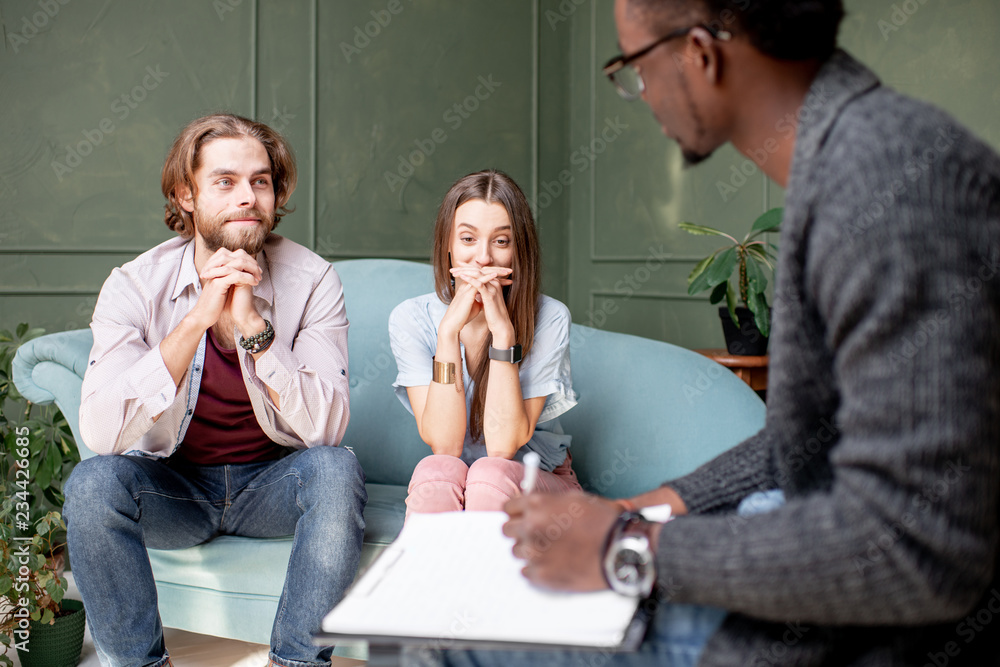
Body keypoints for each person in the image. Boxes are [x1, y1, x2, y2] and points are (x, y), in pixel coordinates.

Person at [425, 1, 1000, 665]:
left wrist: (628, 548)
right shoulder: (846, 162)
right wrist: (636, 511)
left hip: (881, 634)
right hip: (834, 586)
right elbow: (799, 443)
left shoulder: (883, 187)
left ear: (700, 54)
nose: (640, 95)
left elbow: (915, 545)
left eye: (636, 68)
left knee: (461, 634)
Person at [64, 113, 367, 667]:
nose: (247, 197)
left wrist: (253, 327)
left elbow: (327, 428)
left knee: (336, 467)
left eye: (260, 181)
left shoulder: (313, 280)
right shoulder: (134, 285)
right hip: (174, 487)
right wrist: (196, 322)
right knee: (91, 485)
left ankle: (296, 662)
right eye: (225, 182)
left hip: (270, 483)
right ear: (185, 194)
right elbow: (102, 432)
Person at [388, 170, 582, 517]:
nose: (483, 258)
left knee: (489, 476)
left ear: (518, 250)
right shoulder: (410, 318)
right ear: (448, 245)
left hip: (538, 482)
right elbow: (445, 445)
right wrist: (448, 335)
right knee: (434, 472)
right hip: (462, 482)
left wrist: (504, 335)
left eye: (501, 241)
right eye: (468, 239)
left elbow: (502, 447)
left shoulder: (550, 317)